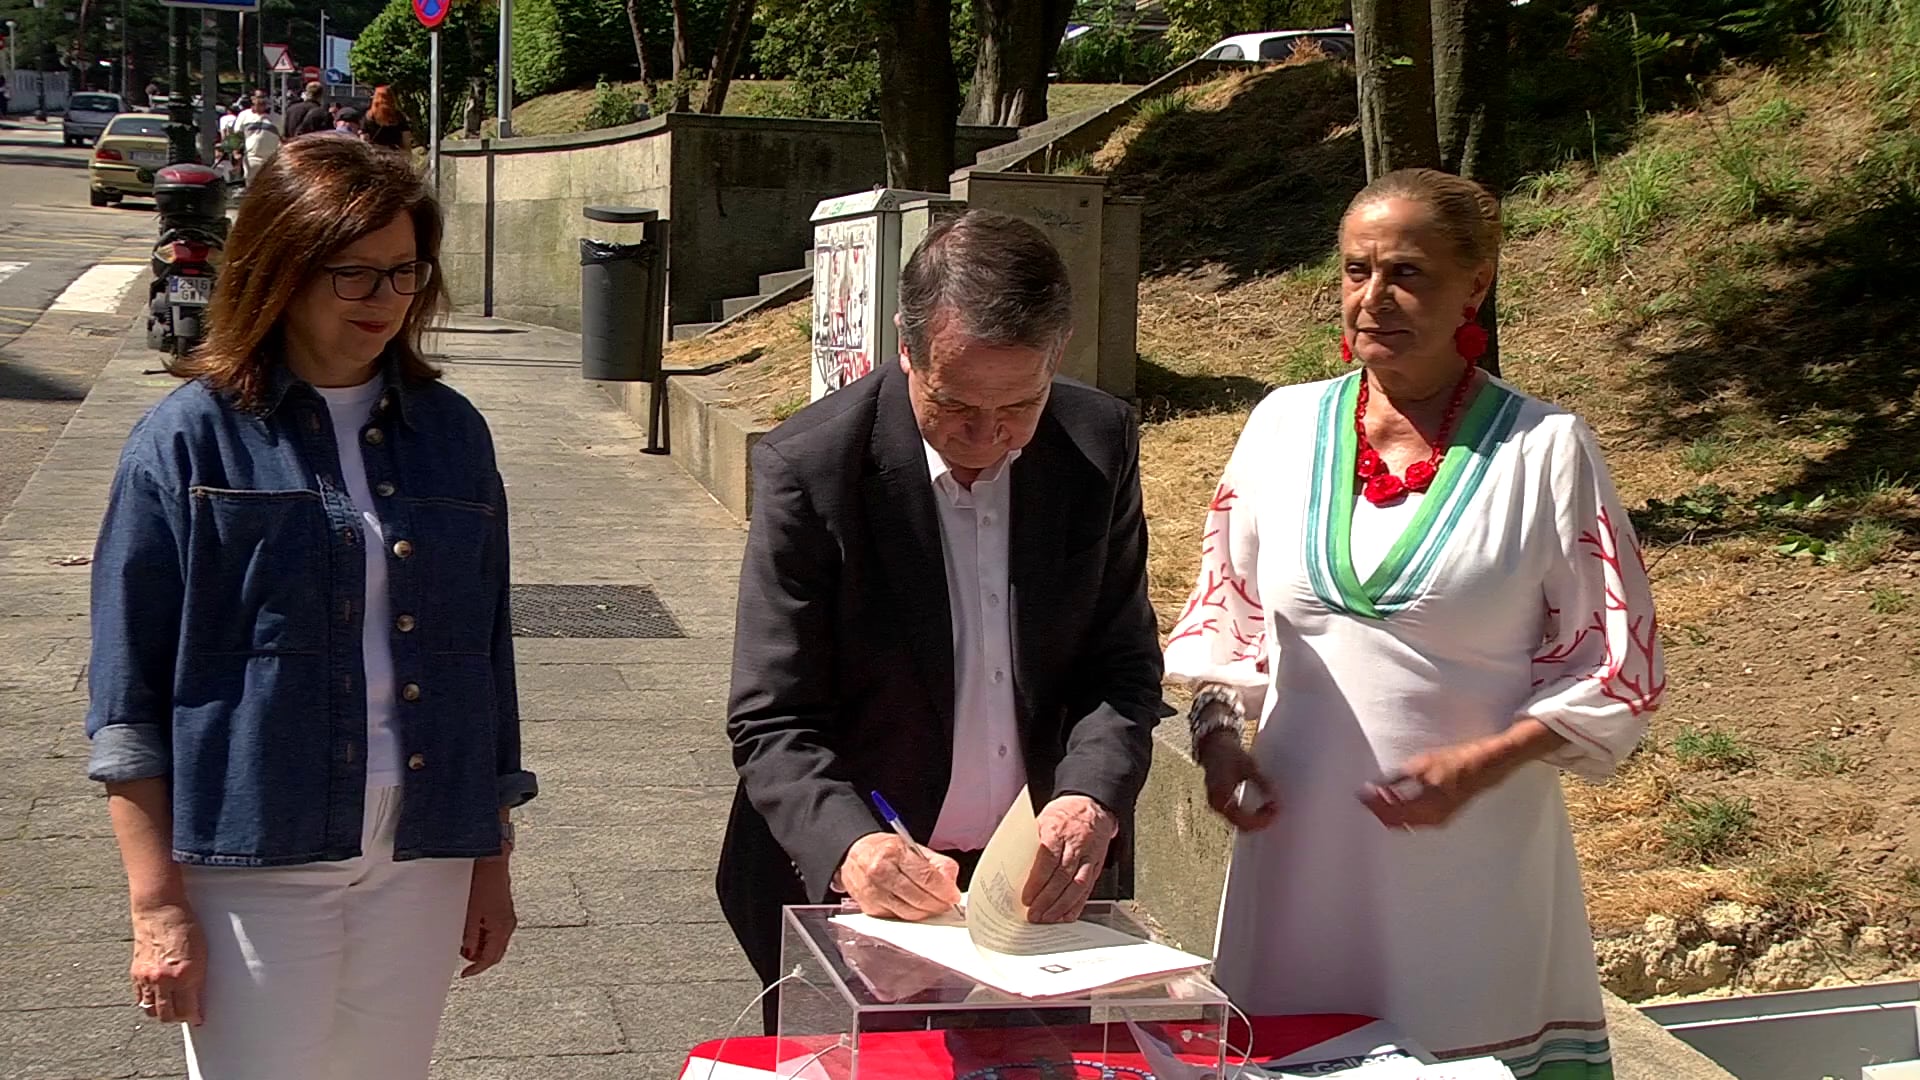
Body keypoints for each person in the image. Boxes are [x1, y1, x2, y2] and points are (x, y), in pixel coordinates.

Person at [1166, 168, 1664, 1079]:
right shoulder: (1282, 428)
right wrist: (1219, 744)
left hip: (1469, 863)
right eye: (1356, 271)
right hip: (1298, 860)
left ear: (1476, 285)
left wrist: (1483, 764)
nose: (1374, 298)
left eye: (1407, 274)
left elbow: (1614, 661)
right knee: (1294, 1049)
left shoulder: (1545, 450)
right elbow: (1226, 622)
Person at [85, 135, 535, 1080]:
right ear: (280, 268)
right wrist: (155, 904)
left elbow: (484, 659)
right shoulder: (188, 440)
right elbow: (128, 694)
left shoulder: (452, 433)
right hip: (258, 840)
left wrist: (489, 855)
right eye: (354, 273)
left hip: (423, 840)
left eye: (406, 271)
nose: (387, 299)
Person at [718, 209, 1167, 1029]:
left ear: (1058, 354)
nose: (987, 438)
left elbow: (1122, 663)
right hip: (858, 896)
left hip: (1033, 897)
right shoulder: (813, 467)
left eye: (1020, 405)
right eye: (954, 403)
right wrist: (852, 846)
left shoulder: (1096, 442)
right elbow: (772, 716)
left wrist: (1089, 797)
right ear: (907, 347)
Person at [235, 89, 280, 185]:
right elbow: (236, 136)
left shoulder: (277, 118)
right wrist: (236, 153)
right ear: (252, 99)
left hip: (270, 161)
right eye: (260, 97)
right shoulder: (244, 115)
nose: (262, 100)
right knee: (252, 186)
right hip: (252, 158)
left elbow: (283, 138)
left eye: (265, 97)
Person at [363, 85, 413, 152]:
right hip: (395, 153)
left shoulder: (369, 116)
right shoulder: (398, 116)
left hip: (375, 153)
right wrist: (407, 154)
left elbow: (364, 138)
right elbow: (406, 140)